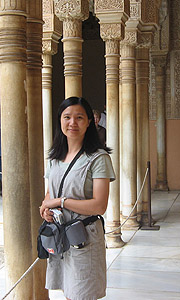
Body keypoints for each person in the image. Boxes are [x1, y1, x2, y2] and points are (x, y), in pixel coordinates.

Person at [39, 97, 115, 300]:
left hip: (84, 237)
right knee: (68, 291)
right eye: (67, 117)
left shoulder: (98, 158)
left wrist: (59, 202)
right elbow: (50, 193)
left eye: (79, 117)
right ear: (60, 120)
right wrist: (47, 208)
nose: (72, 123)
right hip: (61, 235)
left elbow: (99, 205)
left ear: (90, 121)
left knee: (82, 293)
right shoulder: (55, 157)